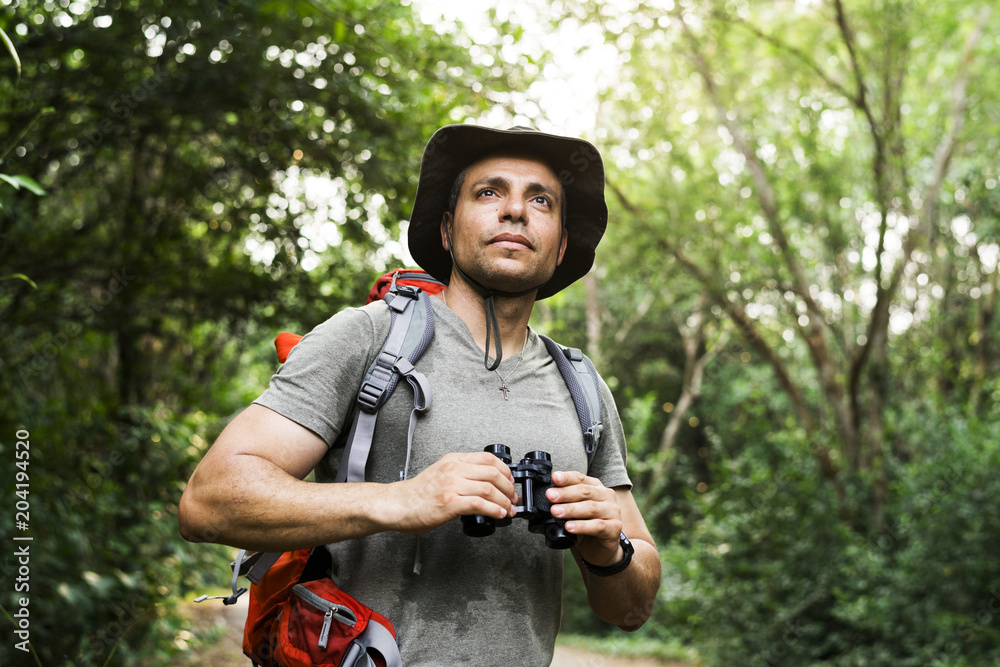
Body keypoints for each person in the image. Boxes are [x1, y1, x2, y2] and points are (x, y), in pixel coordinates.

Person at [179, 125, 660, 666]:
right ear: (448, 231)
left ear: (561, 246)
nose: (516, 212)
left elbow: (632, 610)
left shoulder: (582, 386)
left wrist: (609, 551)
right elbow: (207, 502)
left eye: (541, 200)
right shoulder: (366, 338)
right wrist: (403, 499)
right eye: (488, 192)